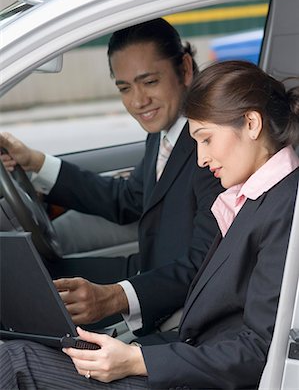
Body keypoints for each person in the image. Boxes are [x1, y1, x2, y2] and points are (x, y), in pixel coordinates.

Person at [1, 60, 298, 390]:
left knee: (17, 361)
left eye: (206, 139)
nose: (200, 159)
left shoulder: (285, 211)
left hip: (203, 375)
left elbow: (262, 351)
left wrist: (136, 360)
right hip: (191, 358)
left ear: (252, 124)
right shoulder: (253, 198)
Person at [0, 18, 222, 327]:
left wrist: (114, 297)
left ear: (184, 69)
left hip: (177, 307)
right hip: (151, 274)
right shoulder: (164, 130)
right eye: (125, 88)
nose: (138, 101)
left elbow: (206, 264)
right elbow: (129, 199)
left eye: (150, 82)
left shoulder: (213, 146)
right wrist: (35, 162)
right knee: (24, 279)